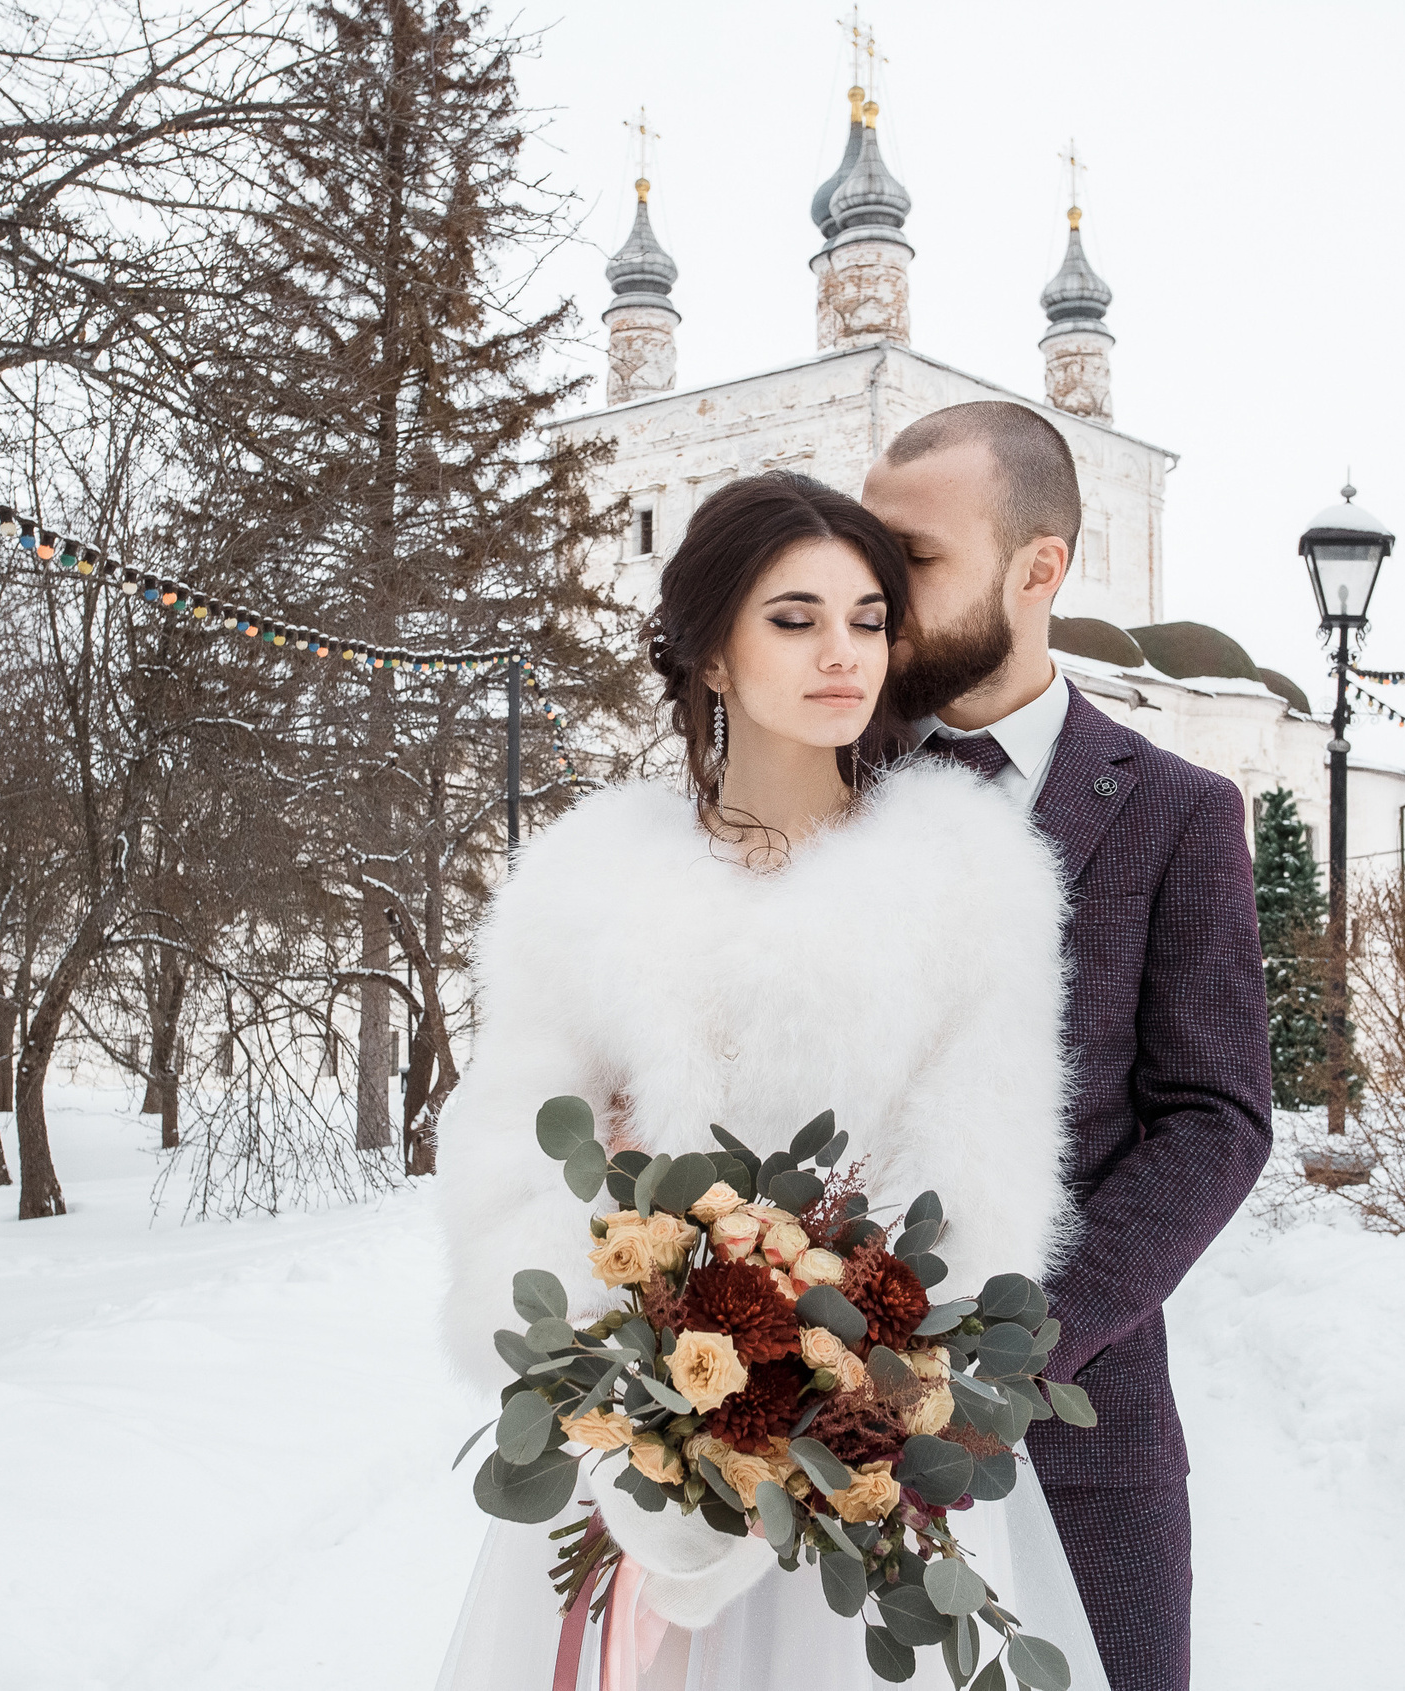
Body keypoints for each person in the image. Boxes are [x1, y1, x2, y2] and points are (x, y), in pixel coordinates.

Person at [434, 470, 1108, 1690]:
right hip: (625, 1451)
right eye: (794, 619)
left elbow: (981, 1177)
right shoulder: (586, 881)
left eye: (867, 620)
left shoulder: (970, 876)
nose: (841, 653)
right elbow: (514, 1161)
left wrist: (828, 1414)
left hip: (858, 1468)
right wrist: (637, 1425)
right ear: (710, 651)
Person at [860, 401, 1273, 1691]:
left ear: (1037, 569)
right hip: (806, 1430)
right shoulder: (822, 788)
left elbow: (1213, 1119)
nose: (877, 594)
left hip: (1080, 1440)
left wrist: (1013, 1357)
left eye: (914, 559)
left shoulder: (1177, 813)